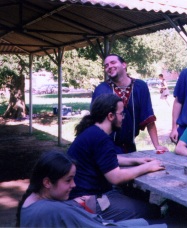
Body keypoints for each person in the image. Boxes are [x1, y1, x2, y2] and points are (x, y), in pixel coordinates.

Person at [68, 94, 165, 222]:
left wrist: (135, 161)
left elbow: (106, 158)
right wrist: (147, 167)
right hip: (88, 201)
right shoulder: (100, 138)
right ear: (110, 116)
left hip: (83, 196)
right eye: (121, 114)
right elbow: (116, 177)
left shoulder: (93, 132)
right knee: (152, 211)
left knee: (139, 196)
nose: (123, 118)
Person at [17, 151, 162, 227]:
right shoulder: (56, 211)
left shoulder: (31, 201)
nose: (74, 185)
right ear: (47, 182)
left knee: (147, 221)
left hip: (101, 222)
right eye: (68, 180)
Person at [92, 54, 168, 153]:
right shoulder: (101, 89)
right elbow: (94, 122)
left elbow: (149, 117)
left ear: (124, 65)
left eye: (113, 62)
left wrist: (157, 145)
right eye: (106, 65)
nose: (109, 66)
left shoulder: (140, 86)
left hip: (130, 148)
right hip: (105, 148)